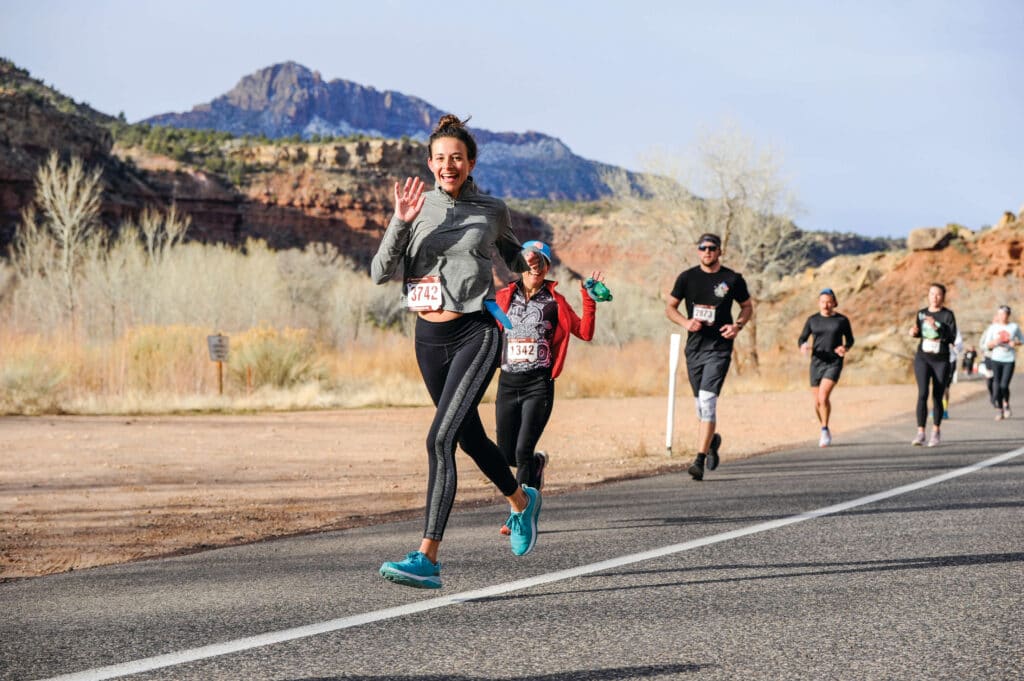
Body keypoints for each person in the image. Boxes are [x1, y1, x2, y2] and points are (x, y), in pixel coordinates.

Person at [370, 115, 541, 589]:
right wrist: (400, 223)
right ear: (430, 163)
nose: (449, 165)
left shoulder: (491, 209)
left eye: (457, 158)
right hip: (428, 339)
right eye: (440, 159)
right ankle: (523, 502)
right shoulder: (415, 207)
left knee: (438, 441)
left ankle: (427, 557)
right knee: (468, 439)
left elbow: (513, 259)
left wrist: (530, 270)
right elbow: (380, 272)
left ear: (470, 163)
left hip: (477, 333)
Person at [493, 240, 601, 534]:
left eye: (540, 262)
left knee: (523, 450)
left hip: (538, 385)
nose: (534, 268)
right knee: (505, 455)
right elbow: (491, 334)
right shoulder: (502, 299)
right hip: (507, 384)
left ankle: (519, 515)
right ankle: (537, 468)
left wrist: (588, 299)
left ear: (547, 268)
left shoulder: (555, 303)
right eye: (529, 262)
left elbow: (585, 333)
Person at [665, 233, 753, 480]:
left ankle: (699, 460)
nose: (707, 252)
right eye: (703, 248)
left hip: (720, 348)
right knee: (700, 407)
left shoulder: (732, 279)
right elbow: (670, 307)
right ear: (697, 251)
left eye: (712, 248)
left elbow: (747, 306)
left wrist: (737, 326)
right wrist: (686, 322)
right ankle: (712, 440)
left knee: (707, 401)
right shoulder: (687, 277)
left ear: (719, 251)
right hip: (694, 349)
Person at [798, 288, 855, 447]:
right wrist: (803, 346)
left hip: (834, 362)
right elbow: (802, 338)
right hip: (816, 362)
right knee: (817, 402)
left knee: (823, 397)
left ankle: (824, 430)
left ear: (834, 303)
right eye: (823, 302)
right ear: (818, 303)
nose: (826, 305)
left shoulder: (842, 320)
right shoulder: (812, 320)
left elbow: (850, 340)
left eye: (829, 302)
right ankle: (825, 426)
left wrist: (845, 348)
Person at [908, 283, 958, 447]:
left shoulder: (947, 315)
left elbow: (951, 337)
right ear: (928, 295)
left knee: (937, 395)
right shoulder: (921, 313)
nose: (934, 297)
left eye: (938, 295)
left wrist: (937, 326)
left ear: (943, 297)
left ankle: (935, 431)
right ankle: (920, 432)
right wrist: (913, 332)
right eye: (932, 294)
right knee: (922, 393)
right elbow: (920, 333)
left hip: (941, 359)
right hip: (923, 357)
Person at [979, 304, 1022, 420]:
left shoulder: (1014, 327)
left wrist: (1015, 343)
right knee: (996, 385)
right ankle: (999, 409)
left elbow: (1021, 340)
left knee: (1004, 385)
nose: (1002, 316)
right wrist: (994, 342)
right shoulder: (993, 328)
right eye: (1000, 314)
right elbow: (986, 344)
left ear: (1008, 315)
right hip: (996, 359)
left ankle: (1006, 403)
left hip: (1009, 359)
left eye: (1005, 314)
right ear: (998, 315)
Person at [942, 330, 963, 419]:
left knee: (945, 387)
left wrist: (952, 345)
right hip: (936, 361)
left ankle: (945, 410)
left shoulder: (955, 330)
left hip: (950, 360)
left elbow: (959, 347)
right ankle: (937, 408)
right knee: (937, 387)